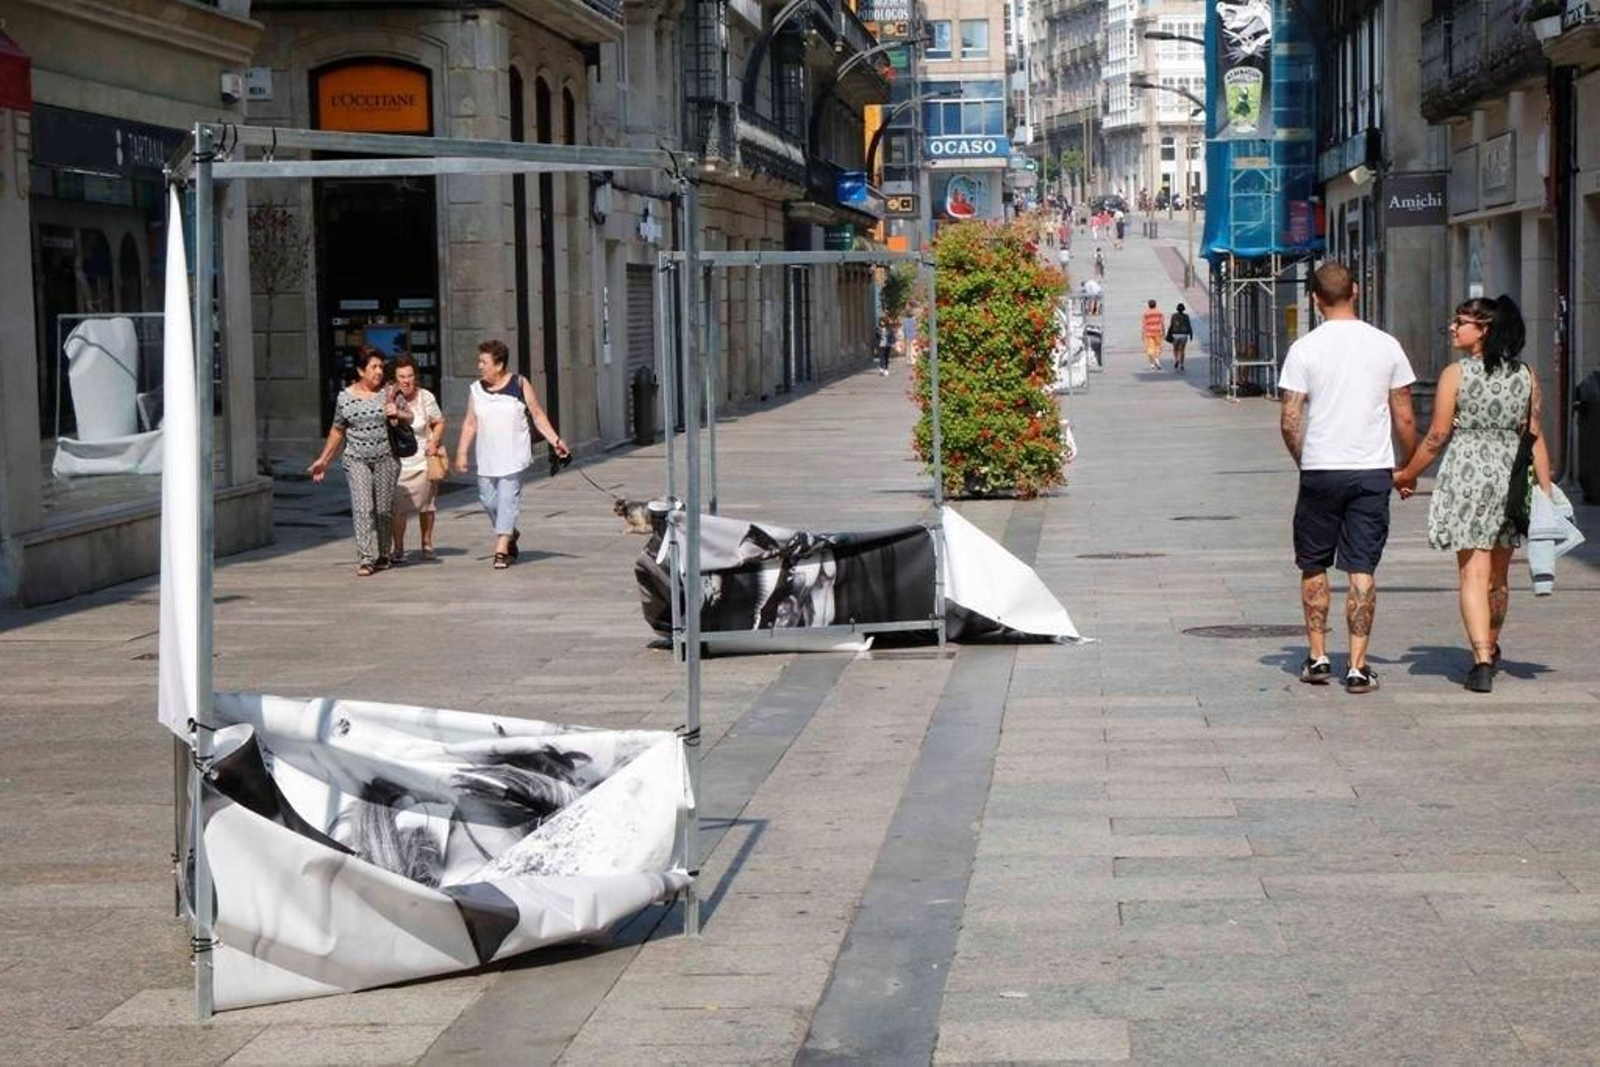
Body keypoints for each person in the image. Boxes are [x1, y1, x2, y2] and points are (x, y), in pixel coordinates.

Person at [1392, 296, 1553, 693]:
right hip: (1511, 479)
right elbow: (1535, 438)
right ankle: (1492, 646)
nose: (1452, 327)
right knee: (1498, 577)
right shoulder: (1527, 376)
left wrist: (1408, 473)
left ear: (1484, 330)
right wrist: (1545, 493)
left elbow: (1437, 436)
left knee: (1472, 573)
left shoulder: (1456, 375)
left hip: (1467, 477)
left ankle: (1481, 659)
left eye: (1460, 322)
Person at [1278, 261, 1417, 694]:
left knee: (1314, 563)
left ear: (1315, 299)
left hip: (1321, 469)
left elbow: (1289, 418)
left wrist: (1305, 459)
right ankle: (1358, 666)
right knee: (1361, 567)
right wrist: (1406, 466)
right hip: (1371, 469)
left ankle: (1318, 657)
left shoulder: (1304, 348)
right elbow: (1406, 416)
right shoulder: (1386, 345)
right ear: (1355, 290)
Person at [454, 339, 570, 570]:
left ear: (499, 365)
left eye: (484, 362)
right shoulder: (476, 390)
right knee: (488, 500)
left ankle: (500, 548)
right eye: (480, 361)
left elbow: (537, 415)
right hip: (487, 457)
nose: (480, 366)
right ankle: (510, 533)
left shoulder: (519, 384)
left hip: (513, 456)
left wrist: (555, 440)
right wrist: (461, 452)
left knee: (507, 501)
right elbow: (469, 423)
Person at [309, 345, 403, 577]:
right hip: (357, 459)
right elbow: (337, 430)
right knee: (363, 508)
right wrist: (324, 459)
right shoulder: (345, 398)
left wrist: (399, 414)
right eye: (374, 367)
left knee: (383, 510)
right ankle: (365, 558)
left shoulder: (390, 392)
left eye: (381, 367)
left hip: (386, 459)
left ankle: (383, 554)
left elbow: (408, 416)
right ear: (361, 371)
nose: (379, 371)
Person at [389, 355, 446, 563]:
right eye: (401, 377)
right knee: (398, 508)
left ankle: (427, 543)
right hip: (398, 462)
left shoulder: (426, 397)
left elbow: (439, 422)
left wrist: (434, 442)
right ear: (395, 379)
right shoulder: (389, 398)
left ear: (416, 376)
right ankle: (399, 548)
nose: (406, 381)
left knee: (427, 505)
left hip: (423, 458)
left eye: (410, 376)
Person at [1167, 302, 1194, 372]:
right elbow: (1189, 325)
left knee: (1175, 349)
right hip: (1184, 335)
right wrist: (1191, 335)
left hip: (1175, 335)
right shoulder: (1186, 316)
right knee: (1182, 350)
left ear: (1177, 309)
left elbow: (1171, 325)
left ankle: (1176, 359)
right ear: (1183, 309)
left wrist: (1169, 334)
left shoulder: (1174, 316)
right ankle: (1182, 364)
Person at [1140, 299, 1165, 370]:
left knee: (1150, 348)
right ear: (1155, 304)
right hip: (1157, 332)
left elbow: (1144, 324)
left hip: (1149, 333)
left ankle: (1152, 364)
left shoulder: (1146, 314)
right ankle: (1156, 359)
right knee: (1158, 347)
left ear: (1148, 305)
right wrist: (1164, 332)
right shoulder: (1159, 313)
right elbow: (1162, 323)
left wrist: (1142, 333)